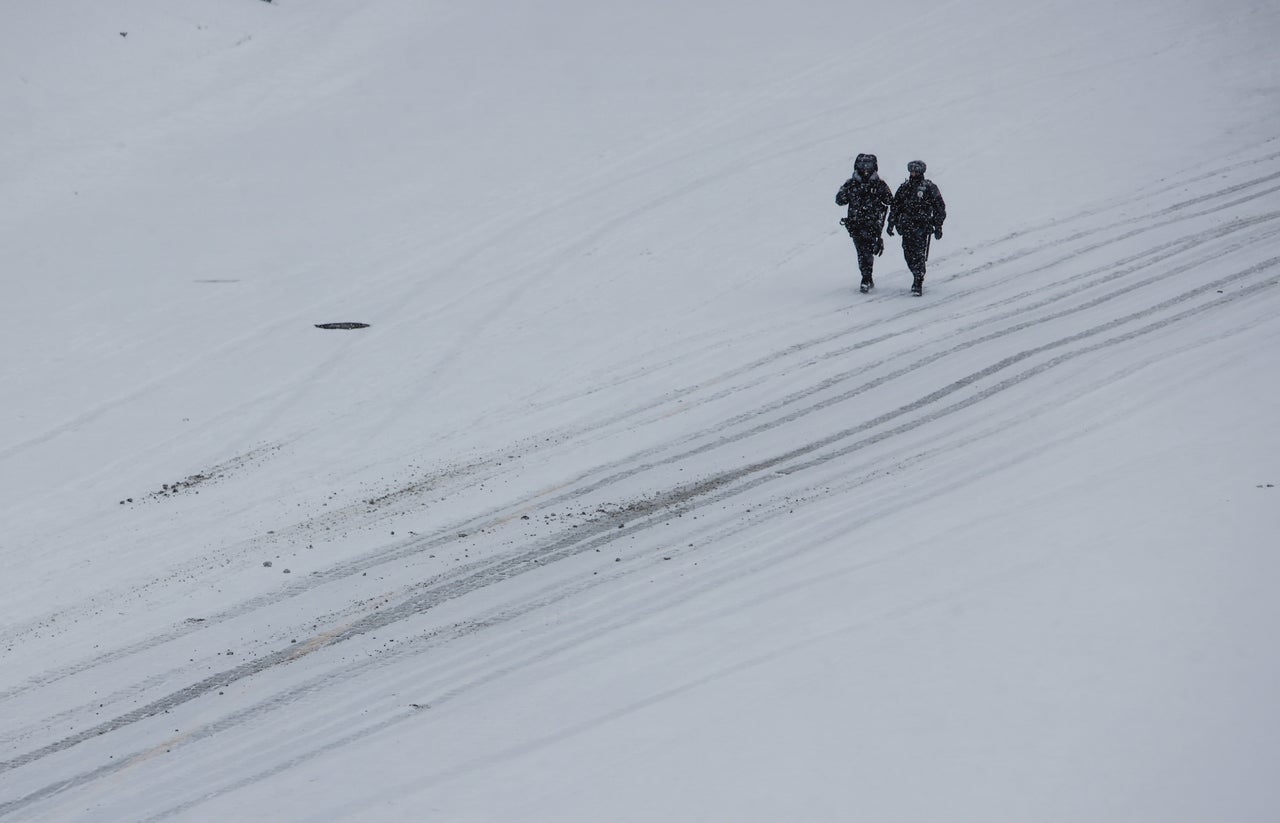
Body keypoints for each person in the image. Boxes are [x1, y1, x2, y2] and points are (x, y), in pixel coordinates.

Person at [835, 153, 893, 293]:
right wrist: (849, 192)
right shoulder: (851, 183)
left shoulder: (879, 184)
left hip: (873, 224)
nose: (865, 169)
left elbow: (890, 200)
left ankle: (867, 277)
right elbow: (839, 200)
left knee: (867, 251)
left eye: (869, 165)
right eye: (862, 165)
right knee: (862, 251)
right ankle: (866, 277)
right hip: (856, 224)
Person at [887, 160, 946, 295]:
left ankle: (918, 280)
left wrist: (938, 226)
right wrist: (891, 223)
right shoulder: (905, 187)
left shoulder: (929, 187)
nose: (913, 173)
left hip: (922, 227)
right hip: (906, 226)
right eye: (912, 170)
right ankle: (915, 273)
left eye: (916, 171)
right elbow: (895, 206)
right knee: (908, 254)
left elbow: (939, 207)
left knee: (919, 254)